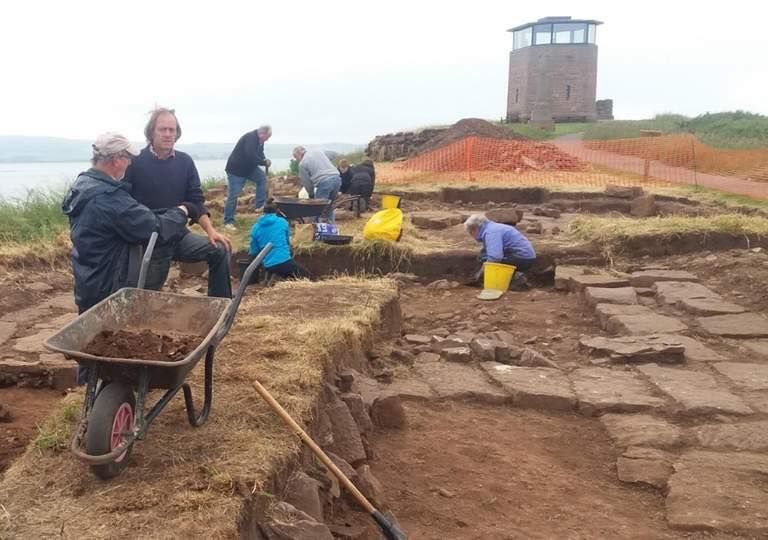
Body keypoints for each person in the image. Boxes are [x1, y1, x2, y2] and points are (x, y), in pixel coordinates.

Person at [62, 133, 198, 382]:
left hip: (88, 277)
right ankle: (105, 397)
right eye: (127, 158)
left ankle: (86, 396)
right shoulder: (109, 199)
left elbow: (127, 219)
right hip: (111, 283)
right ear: (116, 159)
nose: (130, 163)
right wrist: (182, 211)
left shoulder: (83, 185)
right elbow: (153, 228)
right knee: (108, 342)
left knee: (89, 343)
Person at [124, 107, 232, 298]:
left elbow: (196, 200)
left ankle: (218, 307)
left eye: (171, 130)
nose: (167, 134)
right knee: (147, 296)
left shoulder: (185, 162)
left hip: (179, 236)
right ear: (151, 132)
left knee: (220, 250)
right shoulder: (135, 162)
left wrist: (211, 231)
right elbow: (123, 203)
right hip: (150, 240)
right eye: (162, 129)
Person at [463, 214, 537, 289]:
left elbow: (495, 257)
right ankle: (513, 275)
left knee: (484, 258)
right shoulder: (493, 227)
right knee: (484, 253)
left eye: (471, 233)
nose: (472, 236)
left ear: (475, 229)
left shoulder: (491, 232)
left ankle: (515, 278)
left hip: (522, 259)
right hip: (524, 256)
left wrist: (480, 274)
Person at [223, 125, 273, 230]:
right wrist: (263, 162)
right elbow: (251, 155)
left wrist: (264, 159)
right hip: (236, 170)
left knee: (261, 179)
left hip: (249, 168)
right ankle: (228, 221)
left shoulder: (260, 140)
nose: (267, 139)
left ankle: (259, 206)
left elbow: (260, 153)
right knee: (234, 195)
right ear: (262, 134)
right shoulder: (250, 138)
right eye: (267, 137)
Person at [249, 198, 312, 280]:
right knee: (307, 277)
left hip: (267, 265)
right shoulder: (282, 222)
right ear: (277, 211)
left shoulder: (255, 227)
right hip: (284, 261)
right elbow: (287, 242)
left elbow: (253, 250)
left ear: (263, 212)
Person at [292, 146, 342, 223]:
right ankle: (331, 228)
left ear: (299, 154)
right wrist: (324, 161)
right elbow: (334, 154)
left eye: (296, 157)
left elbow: (307, 182)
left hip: (324, 182)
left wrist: (311, 194)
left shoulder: (302, 164)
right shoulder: (318, 151)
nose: (296, 160)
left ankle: (316, 229)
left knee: (317, 209)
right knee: (329, 206)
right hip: (336, 178)